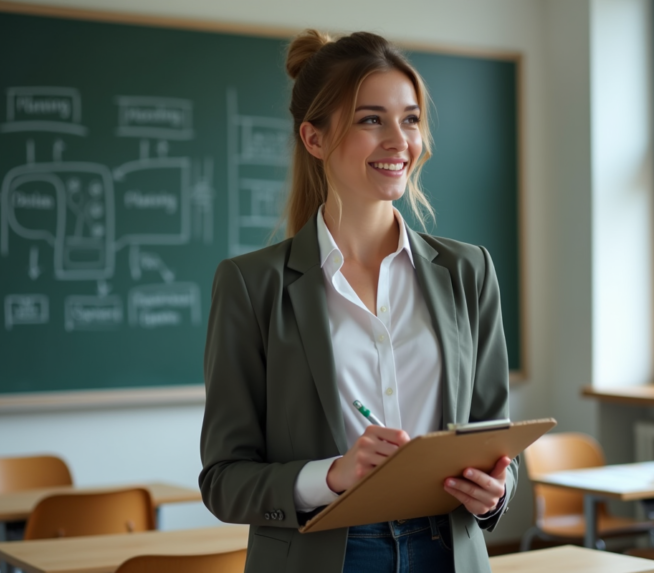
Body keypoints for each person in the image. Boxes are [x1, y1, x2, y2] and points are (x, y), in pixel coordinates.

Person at [200, 29, 518, 573]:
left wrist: (496, 490)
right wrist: (332, 476)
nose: (399, 140)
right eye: (372, 119)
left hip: (449, 552)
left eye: (411, 119)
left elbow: (496, 438)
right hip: (324, 556)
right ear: (314, 138)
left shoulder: (469, 271)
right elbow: (224, 480)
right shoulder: (251, 285)